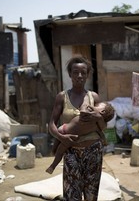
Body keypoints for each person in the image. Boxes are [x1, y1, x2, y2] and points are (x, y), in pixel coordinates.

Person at [48, 56, 106, 201]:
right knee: (72, 194)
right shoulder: (62, 97)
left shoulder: (94, 97)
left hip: (94, 151)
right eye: (75, 72)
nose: (79, 76)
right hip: (71, 152)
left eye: (83, 72)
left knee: (91, 194)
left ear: (87, 75)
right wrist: (62, 138)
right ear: (70, 74)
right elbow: (51, 125)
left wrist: (99, 118)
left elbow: (103, 127)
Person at [46, 101, 115, 174]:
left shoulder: (97, 125)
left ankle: (52, 166)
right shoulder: (89, 116)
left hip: (69, 137)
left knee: (60, 151)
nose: (93, 106)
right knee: (55, 149)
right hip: (63, 129)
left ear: (102, 111)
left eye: (96, 106)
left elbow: (101, 131)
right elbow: (82, 112)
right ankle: (53, 152)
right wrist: (89, 110)